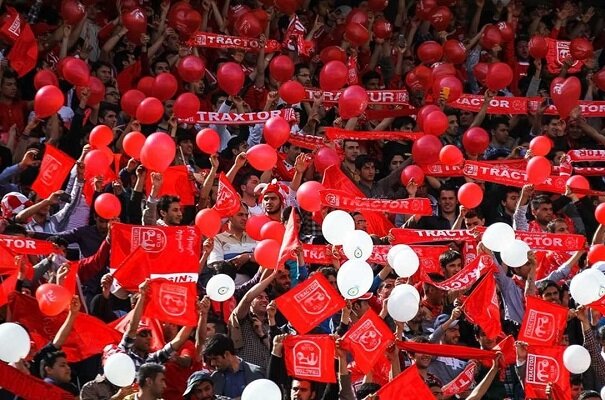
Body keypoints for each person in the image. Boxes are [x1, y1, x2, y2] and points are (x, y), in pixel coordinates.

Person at [203, 334, 264, 399]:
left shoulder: (255, 373)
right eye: (211, 360)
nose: (212, 363)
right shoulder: (215, 377)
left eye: (215, 358)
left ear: (227, 354)